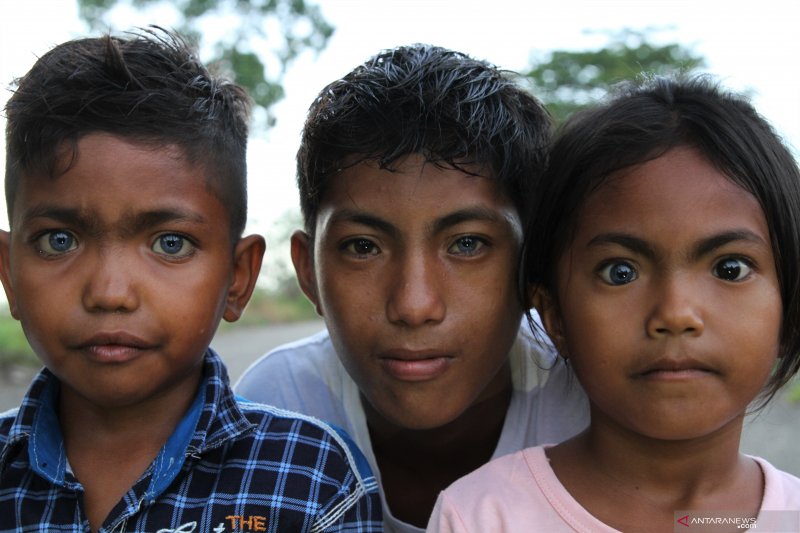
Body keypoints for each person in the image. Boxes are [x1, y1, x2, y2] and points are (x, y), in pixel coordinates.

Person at [0, 28, 381, 533]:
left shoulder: (314, 480)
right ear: (9, 273)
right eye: (59, 241)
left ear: (238, 278)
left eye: (170, 243)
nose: (110, 293)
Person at [234, 44, 589, 531]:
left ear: (534, 268)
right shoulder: (277, 408)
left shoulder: (586, 408)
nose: (414, 305)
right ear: (308, 271)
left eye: (467, 243)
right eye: (363, 247)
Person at [427, 75, 800, 533]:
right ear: (555, 317)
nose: (675, 314)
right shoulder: (484, 515)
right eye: (619, 272)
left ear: (789, 310)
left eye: (730, 269)